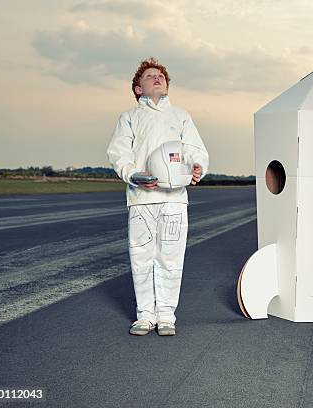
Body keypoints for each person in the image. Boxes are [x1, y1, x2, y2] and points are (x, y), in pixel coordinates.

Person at [107, 57, 209, 336]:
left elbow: (195, 150)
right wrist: (132, 174)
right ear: (138, 88)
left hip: (175, 199)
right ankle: (144, 316)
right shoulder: (129, 117)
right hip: (141, 199)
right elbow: (118, 153)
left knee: (171, 258)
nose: (157, 78)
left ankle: (166, 316)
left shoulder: (181, 116)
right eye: (149, 76)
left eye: (161, 76)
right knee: (141, 257)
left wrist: (199, 166)